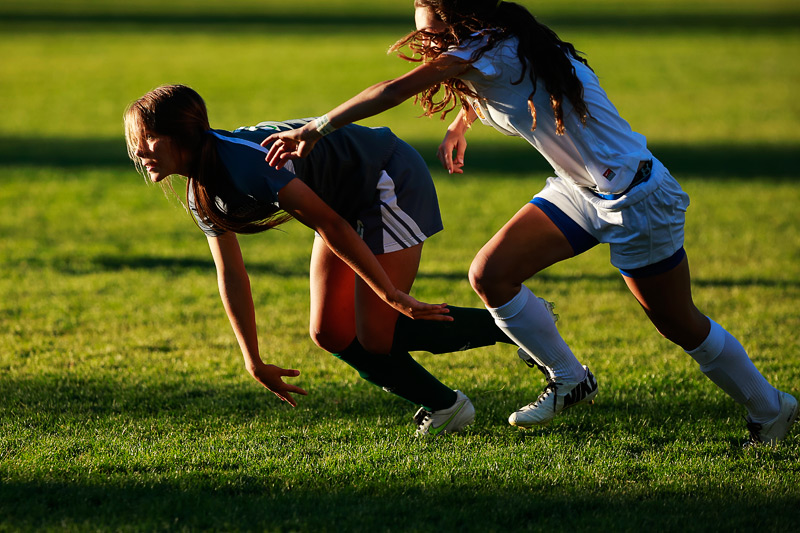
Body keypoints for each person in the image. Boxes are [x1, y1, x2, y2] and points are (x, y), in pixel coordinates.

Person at [261, 0, 797, 446]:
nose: (426, 44)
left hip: (635, 199)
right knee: (491, 274)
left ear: (459, 21)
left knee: (679, 323)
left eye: (433, 33)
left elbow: (394, 89)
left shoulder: (483, 48)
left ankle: (769, 408)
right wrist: (462, 121)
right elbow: (513, 89)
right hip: (580, 190)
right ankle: (570, 379)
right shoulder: (499, 43)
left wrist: (319, 126)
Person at [123, 83, 531, 436]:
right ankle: (446, 405)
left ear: (183, 134)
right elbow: (231, 273)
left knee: (377, 335)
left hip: (386, 178)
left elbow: (332, 226)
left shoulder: (245, 164)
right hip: (343, 204)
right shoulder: (201, 190)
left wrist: (391, 295)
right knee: (331, 333)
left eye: (149, 138)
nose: (139, 151)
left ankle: (524, 324)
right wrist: (253, 359)